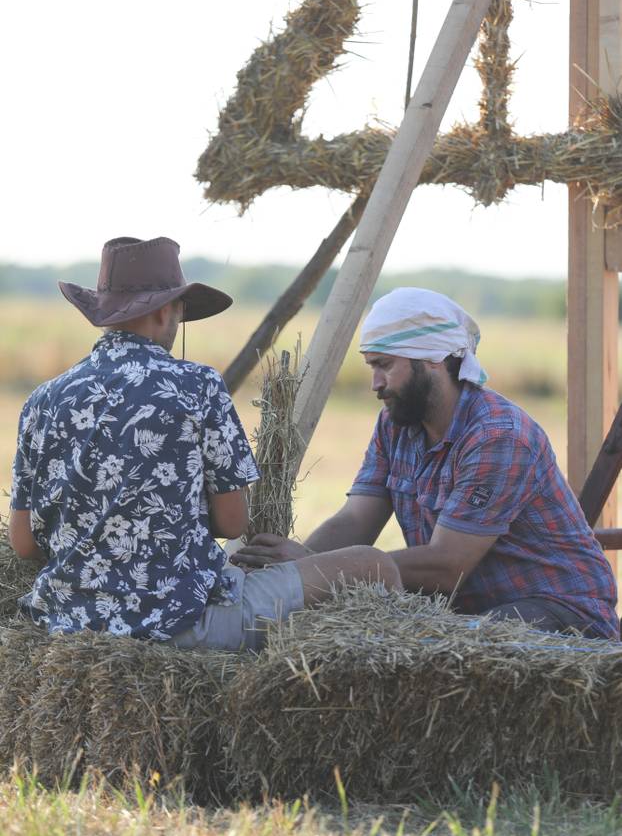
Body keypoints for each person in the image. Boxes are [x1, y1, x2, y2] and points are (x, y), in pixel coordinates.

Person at [8, 236, 400, 651]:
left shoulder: (43, 399)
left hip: (66, 622)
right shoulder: (197, 386)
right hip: (182, 622)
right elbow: (233, 522)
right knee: (374, 565)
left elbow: (23, 542)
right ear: (164, 311)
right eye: (180, 312)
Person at [232, 287, 619, 641]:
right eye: (371, 366)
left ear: (432, 359)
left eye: (384, 365)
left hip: (558, 608)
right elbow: (354, 521)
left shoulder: (498, 435)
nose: (375, 384)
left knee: (461, 652)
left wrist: (317, 567)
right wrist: (293, 578)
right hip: (471, 610)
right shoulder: (395, 424)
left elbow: (446, 566)